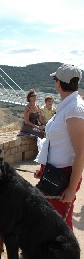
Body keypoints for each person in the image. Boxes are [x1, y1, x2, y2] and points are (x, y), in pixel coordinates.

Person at [34, 64, 84, 230]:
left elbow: (80, 151)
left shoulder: (74, 109)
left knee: (60, 224)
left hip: (63, 176)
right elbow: (56, 143)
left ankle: (66, 254)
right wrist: (43, 169)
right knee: (48, 219)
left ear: (59, 83)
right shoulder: (67, 106)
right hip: (53, 172)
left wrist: (71, 189)